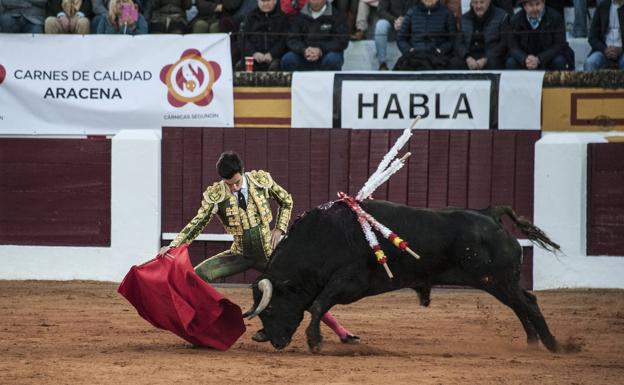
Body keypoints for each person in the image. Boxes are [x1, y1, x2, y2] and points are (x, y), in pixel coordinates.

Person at [162, 151, 360, 344]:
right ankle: (203, 327)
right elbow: (197, 223)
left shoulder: (260, 181)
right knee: (197, 276)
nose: (235, 187)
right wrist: (173, 245)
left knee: (302, 292)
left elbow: (286, 200)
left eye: (237, 182)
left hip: (270, 255)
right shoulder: (217, 195)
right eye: (229, 184)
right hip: (239, 253)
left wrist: (279, 228)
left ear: (243, 171)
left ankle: (341, 331)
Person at [281, 0, 350, 71]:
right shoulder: (299, 16)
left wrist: (320, 50)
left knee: (332, 59)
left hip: (326, 54)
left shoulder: (337, 16)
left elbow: (342, 40)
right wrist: (304, 50)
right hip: (304, 55)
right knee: (288, 59)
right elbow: (292, 39)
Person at [505, 0, 568, 70]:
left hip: (547, 59)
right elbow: (513, 46)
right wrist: (524, 58)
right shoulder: (515, 20)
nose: (535, 8)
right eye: (531, 5)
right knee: (511, 62)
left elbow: (559, 45)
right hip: (526, 60)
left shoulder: (556, 17)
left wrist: (539, 59)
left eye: (538, 4)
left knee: (559, 61)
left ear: (543, 3)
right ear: (524, 6)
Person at [394, 0, 457, 70]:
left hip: (438, 58)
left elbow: (452, 39)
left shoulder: (447, 14)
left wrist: (440, 50)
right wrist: (409, 50)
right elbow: (401, 39)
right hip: (414, 56)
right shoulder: (412, 12)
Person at [451, 0, 510, 70]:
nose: (478, 6)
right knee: (454, 63)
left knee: (494, 63)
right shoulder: (464, 18)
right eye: (475, 2)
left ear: (489, 1)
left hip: (491, 56)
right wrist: (467, 57)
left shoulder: (502, 16)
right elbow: (458, 42)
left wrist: (486, 59)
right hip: (469, 56)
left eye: (482, 2)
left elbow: (504, 43)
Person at [238, 0, 289, 71]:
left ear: (275, 1)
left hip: (275, 59)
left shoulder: (283, 18)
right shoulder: (250, 17)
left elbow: (284, 40)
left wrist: (272, 54)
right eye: (263, 1)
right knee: (242, 65)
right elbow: (242, 39)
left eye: (268, 1)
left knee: (276, 66)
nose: (265, 4)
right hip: (254, 57)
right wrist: (253, 53)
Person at [584, 0, 624, 70]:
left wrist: (620, 50)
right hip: (603, 50)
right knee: (590, 63)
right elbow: (592, 37)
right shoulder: (602, 6)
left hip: (622, 52)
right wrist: (605, 49)